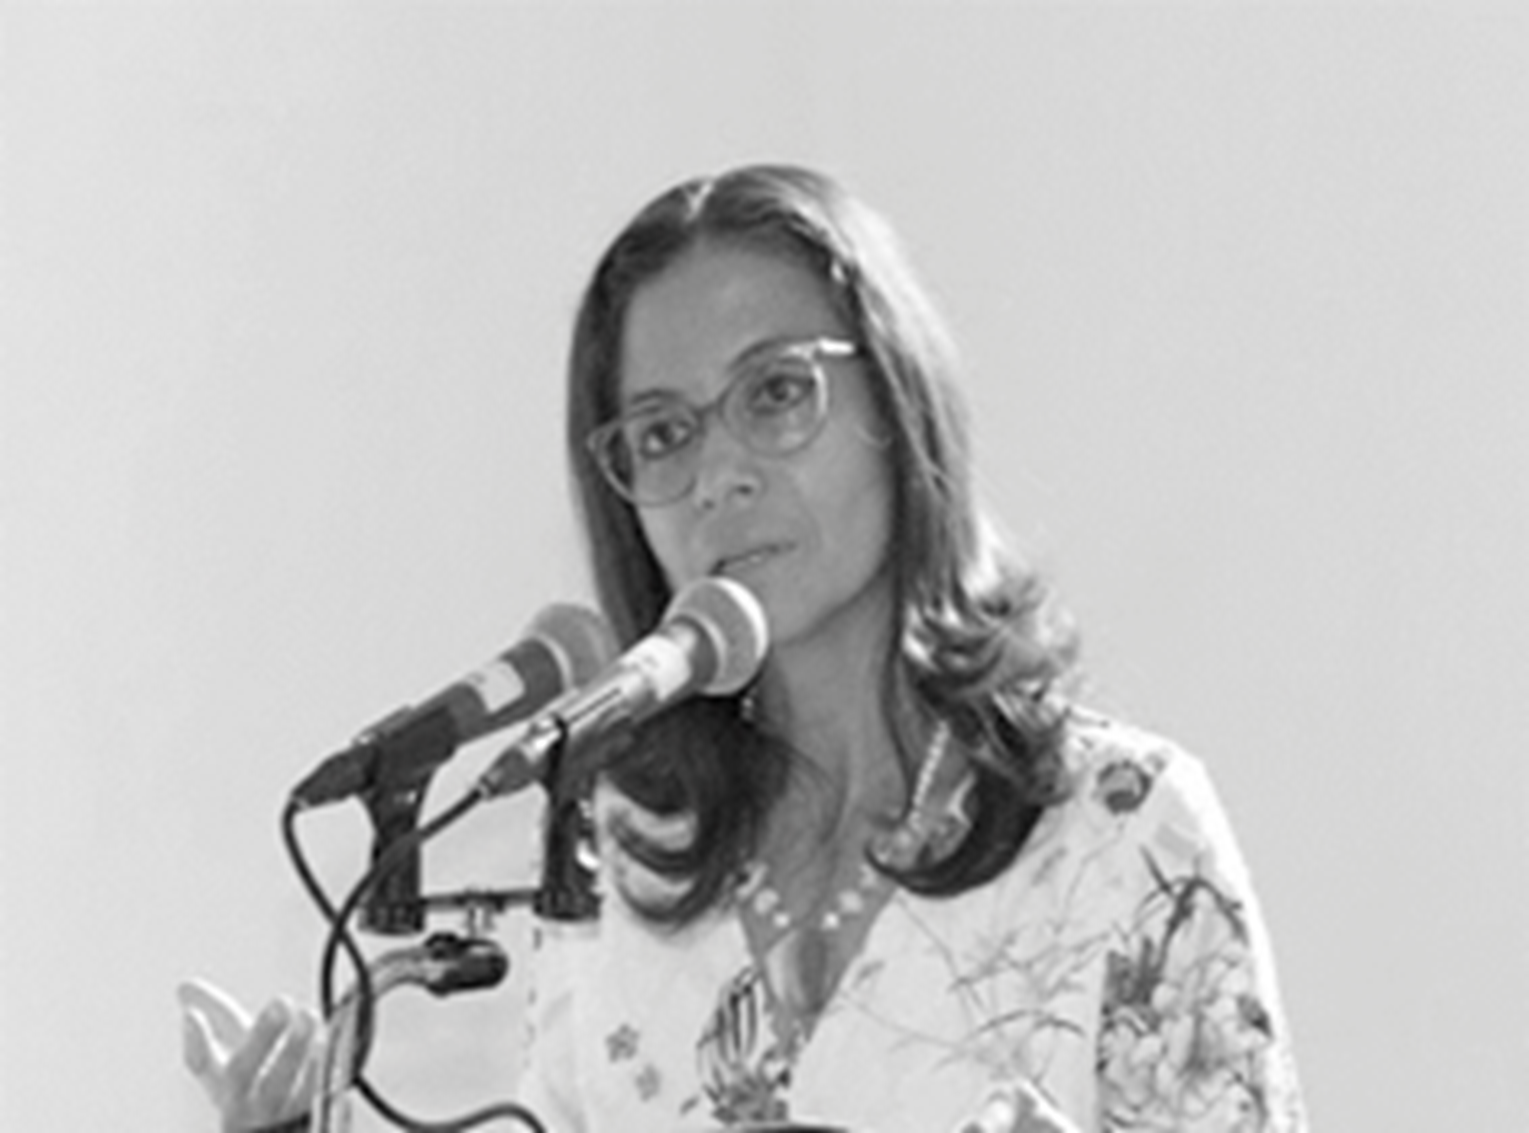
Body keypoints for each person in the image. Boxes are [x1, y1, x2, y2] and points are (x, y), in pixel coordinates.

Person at [181, 164, 1307, 1133]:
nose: (719, 473)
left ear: (895, 402)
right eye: (663, 431)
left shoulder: (1121, 832)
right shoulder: (619, 860)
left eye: (774, 393)